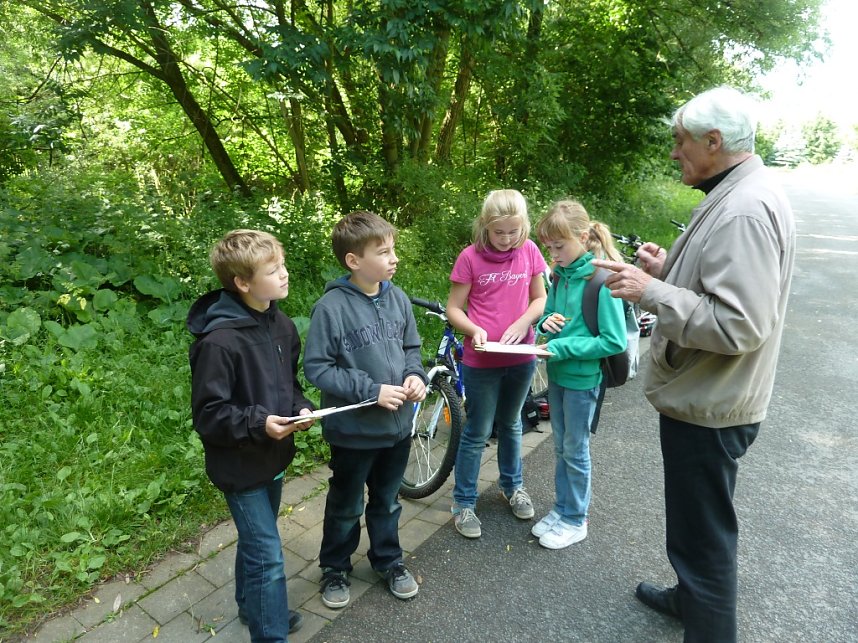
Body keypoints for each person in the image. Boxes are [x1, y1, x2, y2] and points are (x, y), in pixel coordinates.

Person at [592, 86, 796, 642]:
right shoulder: (740, 190)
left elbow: (738, 325)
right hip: (712, 394)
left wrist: (653, 292)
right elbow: (722, 288)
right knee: (693, 525)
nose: (674, 151)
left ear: (714, 141)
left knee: (703, 540)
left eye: (681, 140)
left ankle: (704, 616)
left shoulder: (744, 210)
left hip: (712, 404)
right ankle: (688, 598)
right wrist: (667, 272)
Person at [187, 229, 313, 642]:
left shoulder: (283, 326)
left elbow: (288, 385)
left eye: (282, 265)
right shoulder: (218, 343)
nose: (284, 274)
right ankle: (270, 632)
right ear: (242, 282)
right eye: (272, 271)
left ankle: (253, 606)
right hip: (238, 466)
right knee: (268, 556)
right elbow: (209, 415)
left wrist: (300, 408)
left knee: (257, 543)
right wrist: (260, 423)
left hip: (273, 457)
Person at [303, 210, 427, 609]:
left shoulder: (398, 298)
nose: (394, 258)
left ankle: (388, 560)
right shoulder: (331, 308)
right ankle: (334, 568)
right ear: (354, 260)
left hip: (397, 429)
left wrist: (415, 376)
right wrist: (372, 391)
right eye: (384, 252)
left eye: (393, 249)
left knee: (388, 501)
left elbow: (411, 349)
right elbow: (318, 368)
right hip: (353, 433)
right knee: (346, 505)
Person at [446, 188, 548, 538]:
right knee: (477, 430)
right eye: (499, 232)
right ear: (485, 225)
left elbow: (539, 298)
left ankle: (512, 486)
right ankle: (463, 502)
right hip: (481, 359)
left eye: (513, 231)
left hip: (521, 356)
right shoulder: (470, 257)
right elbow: (454, 308)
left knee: (512, 423)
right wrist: (474, 330)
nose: (506, 239)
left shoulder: (529, 250)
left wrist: (523, 323)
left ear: (524, 226)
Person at [532, 200, 627, 549]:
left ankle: (576, 519)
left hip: (583, 382)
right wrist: (546, 324)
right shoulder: (560, 276)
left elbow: (613, 341)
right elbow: (548, 317)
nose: (553, 254)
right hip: (557, 375)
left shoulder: (601, 281)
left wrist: (565, 347)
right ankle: (562, 509)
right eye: (549, 248)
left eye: (559, 246)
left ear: (583, 237)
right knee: (561, 447)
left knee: (575, 449)